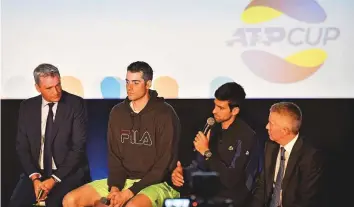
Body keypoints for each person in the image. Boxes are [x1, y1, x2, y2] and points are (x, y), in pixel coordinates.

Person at [63, 61, 181, 207]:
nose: (129, 88)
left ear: (148, 84)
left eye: (136, 83)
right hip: (124, 182)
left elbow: (163, 165)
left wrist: (129, 193)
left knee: (132, 205)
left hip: (157, 183)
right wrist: (115, 188)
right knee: (70, 200)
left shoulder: (165, 114)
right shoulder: (118, 112)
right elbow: (114, 157)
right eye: (127, 82)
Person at [9, 63, 91, 207]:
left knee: (55, 203)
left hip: (66, 173)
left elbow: (78, 148)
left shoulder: (75, 104)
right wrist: (35, 178)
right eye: (49, 88)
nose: (56, 91)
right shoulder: (27, 107)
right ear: (37, 88)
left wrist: (54, 179)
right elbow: (22, 147)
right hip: (36, 173)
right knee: (15, 203)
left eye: (58, 85)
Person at [171, 82, 261, 207]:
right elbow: (200, 166)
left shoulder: (245, 136)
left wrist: (207, 152)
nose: (214, 111)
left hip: (231, 200)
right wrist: (182, 174)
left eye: (221, 108)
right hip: (205, 195)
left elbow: (230, 180)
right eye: (215, 105)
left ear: (234, 110)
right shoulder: (211, 127)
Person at [249, 102, 325, 207]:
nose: (267, 127)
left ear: (284, 131)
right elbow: (262, 186)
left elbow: (307, 200)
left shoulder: (309, 157)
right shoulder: (270, 146)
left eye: (271, 123)